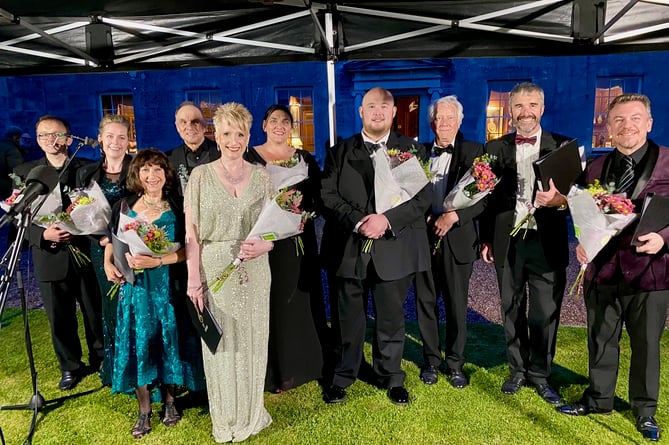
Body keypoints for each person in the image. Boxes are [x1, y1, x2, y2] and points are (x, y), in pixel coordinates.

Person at [557, 93, 669, 442]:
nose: (627, 126)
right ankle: (599, 398)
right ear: (608, 127)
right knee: (601, 340)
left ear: (649, 123)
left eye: (635, 118)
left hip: (650, 273)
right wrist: (582, 245)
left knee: (647, 345)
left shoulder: (667, 162)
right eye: (618, 120)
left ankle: (645, 410)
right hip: (603, 271)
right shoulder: (593, 168)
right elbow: (582, 215)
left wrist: (665, 238)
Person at [320, 87, 431, 406]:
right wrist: (359, 220)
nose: (378, 112)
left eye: (384, 106)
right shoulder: (338, 152)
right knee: (347, 319)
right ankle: (343, 375)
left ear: (394, 112)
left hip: (393, 249)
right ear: (361, 112)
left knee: (390, 318)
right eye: (371, 106)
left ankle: (391, 375)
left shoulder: (412, 150)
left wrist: (386, 220)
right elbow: (328, 196)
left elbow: (421, 199)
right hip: (349, 249)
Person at [185, 102, 273, 442]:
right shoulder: (200, 176)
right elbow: (191, 234)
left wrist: (264, 245)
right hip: (215, 267)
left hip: (254, 271)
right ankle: (225, 419)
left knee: (252, 341)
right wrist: (194, 278)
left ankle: (252, 413)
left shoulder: (263, 177)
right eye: (226, 134)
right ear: (216, 136)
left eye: (239, 134)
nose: (233, 141)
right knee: (220, 344)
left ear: (248, 137)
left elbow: (271, 231)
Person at [479, 82, 571, 406]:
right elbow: (486, 199)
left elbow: (579, 197)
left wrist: (560, 200)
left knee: (545, 313)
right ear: (510, 110)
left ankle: (541, 375)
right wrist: (486, 238)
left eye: (532, 105)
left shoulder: (562, 146)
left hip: (546, 242)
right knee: (510, 308)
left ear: (542, 108)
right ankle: (517, 370)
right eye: (518, 106)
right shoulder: (494, 148)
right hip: (508, 241)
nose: (525, 112)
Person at [103, 149, 205, 439]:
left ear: (166, 174)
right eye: (146, 170)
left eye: (158, 170)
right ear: (137, 174)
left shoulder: (178, 204)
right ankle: (145, 409)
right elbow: (113, 239)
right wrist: (108, 262)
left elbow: (190, 250)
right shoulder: (123, 205)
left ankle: (171, 401)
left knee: (170, 342)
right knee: (140, 344)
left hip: (168, 289)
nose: (152, 176)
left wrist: (158, 260)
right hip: (135, 292)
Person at [14, 116, 103, 391]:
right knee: (58, 316)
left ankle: (101, 359)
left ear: (68, 137)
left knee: (94, 311)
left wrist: (82, 226)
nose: (49, 140)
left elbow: (98, 208)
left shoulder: (86, 169)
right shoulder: (27, 172)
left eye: (55, 134)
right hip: (50, 256)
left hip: (84, 251)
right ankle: (69, 366)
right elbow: (19, 220)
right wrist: (42, 235)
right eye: (42, 135)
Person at [244, 104, 327, 393]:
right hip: (266, 245)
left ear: (291, 128)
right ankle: (276, 372)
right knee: (274, 303)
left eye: (285, 121)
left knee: (302, 300)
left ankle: (306, 365)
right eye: (274, 120)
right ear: (264, 125)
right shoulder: (249, 157)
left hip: (300, 240)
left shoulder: (304, 158)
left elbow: (318, 195)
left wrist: (304, 212)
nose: (280, 125)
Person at [413, 96, 485, 388]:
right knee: (425, 303)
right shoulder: (416, 153)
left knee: (456, 305)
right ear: (432, 123)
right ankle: (431, 360)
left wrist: (453, 217)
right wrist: (425, 219)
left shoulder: (474, 151)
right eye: (439, 119)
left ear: (459, 121)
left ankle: (455, 363)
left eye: (449, 118)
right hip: (423, 239)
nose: (443, 124)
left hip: (458, 240)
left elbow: (485, 198)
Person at [76, 114, 133, 386]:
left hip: (135, 248)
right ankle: (117, 367)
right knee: (110, 306)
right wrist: (100, 236)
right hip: (101, 251)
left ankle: (141, 365)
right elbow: (79, 213)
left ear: (128, 140)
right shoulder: (86, 173)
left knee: (136, 306)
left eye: (121, 137)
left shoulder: (138, 169)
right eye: (110, 136)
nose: (115, 142)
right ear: (100, 138)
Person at [166, 101, 220, 195]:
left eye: (195, 122)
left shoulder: (223, 152)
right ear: (178, 127)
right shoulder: (168, 159)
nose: (189, 127)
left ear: (205, 125)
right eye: (183, 122)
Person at [0, 126, 25, 199]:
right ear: (15, 137)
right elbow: (17, 170)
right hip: (5, 188)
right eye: (20, 138)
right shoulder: (12, 150)